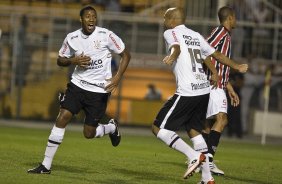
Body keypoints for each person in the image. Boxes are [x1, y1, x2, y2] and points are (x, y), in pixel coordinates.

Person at [27, 5, 131, 174]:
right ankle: (45, 166)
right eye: (88, 16)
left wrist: (117, 77)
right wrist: (73, 60)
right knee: (62, 117)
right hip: (77, 85)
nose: (91, 19)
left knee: (89, 133)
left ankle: (111, 128)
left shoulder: (106, 35)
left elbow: (126, 55)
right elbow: (60, 60)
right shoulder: (72, 37)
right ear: (81, 19)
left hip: (99, 91)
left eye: (94, 16)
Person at [151, 7, 247, 183]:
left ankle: (193, 155)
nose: (164, 21)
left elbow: (176, 47)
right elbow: (213, 54)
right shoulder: (195, 35)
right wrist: (233, 67)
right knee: (194, 130)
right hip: (203, 90)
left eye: (165, 17)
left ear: (172, 20)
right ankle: (207, 177)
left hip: (188, 91)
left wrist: (173, 56)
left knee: (158, 128)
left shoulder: (169, 32)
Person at [202, 6, 243, 176]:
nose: (236, 21)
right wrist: (213, 72)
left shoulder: (225, 35)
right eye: (235, 18)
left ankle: (202, 159)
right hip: (213, 84)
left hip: (218, 84)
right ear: (230, 18)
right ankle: (208, 161)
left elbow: (218, 62)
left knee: (207, 124)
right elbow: (204, 50)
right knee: (222, 119)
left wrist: (230, 88)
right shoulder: (220, 32)